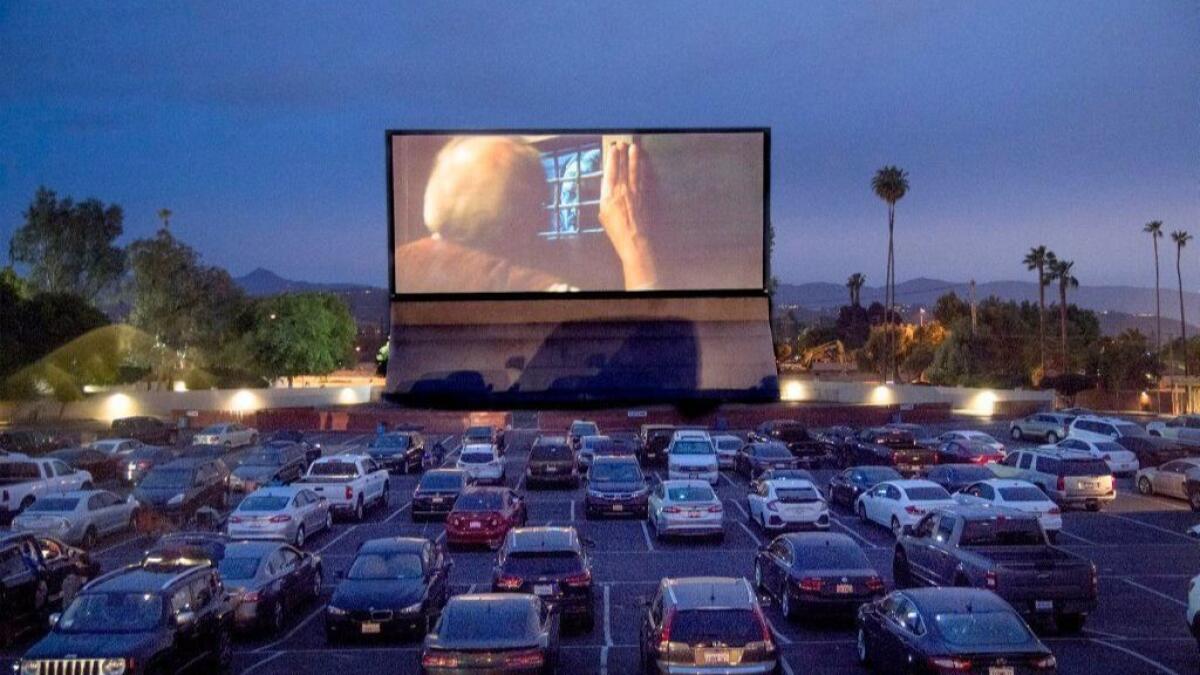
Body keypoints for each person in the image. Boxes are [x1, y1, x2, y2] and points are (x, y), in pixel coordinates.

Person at [395, 136, 657, 293]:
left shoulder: (400, 263)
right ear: (527, 220)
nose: (547, 217)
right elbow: (646, 347)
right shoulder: (538, 289)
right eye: (541, 204)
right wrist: (635, 245)